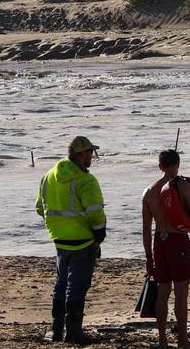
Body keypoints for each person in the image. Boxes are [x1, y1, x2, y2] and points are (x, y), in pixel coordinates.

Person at [35, 135, 107, 345]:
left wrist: (58, 225)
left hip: (59, 239)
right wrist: (99, 236)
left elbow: (40, 208)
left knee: (61, 283)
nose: (92, 157)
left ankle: (56, 330)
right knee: (77, 285)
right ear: (83, 154)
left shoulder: (49, 175)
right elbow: (95, 213)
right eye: (91, 153)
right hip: (83, 241)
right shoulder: (86, 180)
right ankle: (74, 332)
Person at [142, 149, 190, 348]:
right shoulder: (182, 185)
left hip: (159, 242)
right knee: (181, 292)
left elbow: (146, 229)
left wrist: (149, 256)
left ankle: (162, 340)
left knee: (163, 291)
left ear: (159, 166)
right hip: (177, 240)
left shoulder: (148, 192)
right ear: (178, 164)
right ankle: (182, 340)